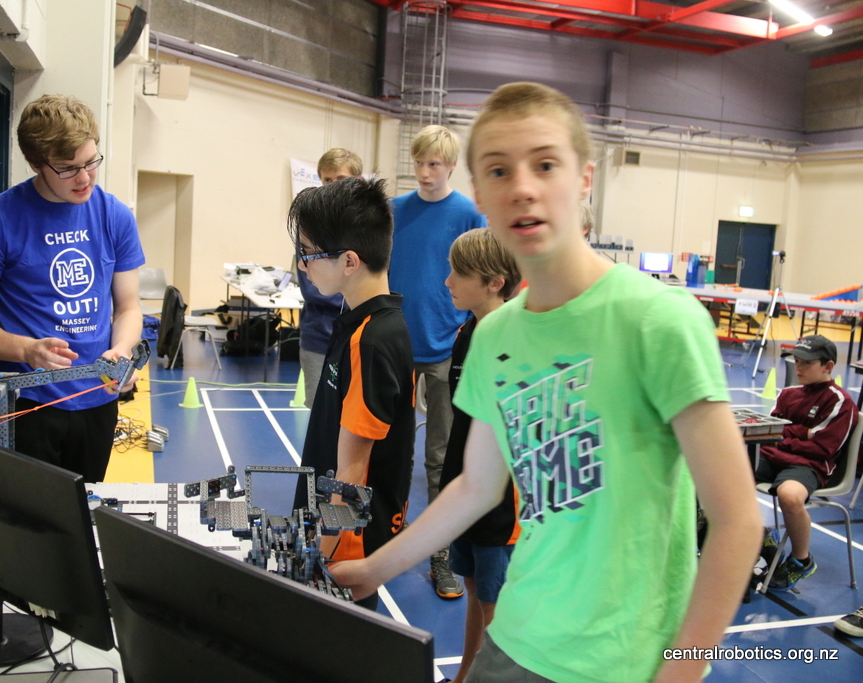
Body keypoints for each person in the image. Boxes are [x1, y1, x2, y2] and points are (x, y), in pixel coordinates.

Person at [331, 82, 761, 683]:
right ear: (481, 196)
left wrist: (680, 672)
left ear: (584, 178)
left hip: (622, 661)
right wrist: (376, 567)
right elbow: (476, 486)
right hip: (517, 637)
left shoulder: (659, 320)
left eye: (546, 164)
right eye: (499, 170)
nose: (523, 187)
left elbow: (738, 520)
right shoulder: (495, 335)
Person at [0, 94, 145, 483]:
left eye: (91, 162)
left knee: (85, 507)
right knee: (30, 513)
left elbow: (128, 307)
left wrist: (123, 351)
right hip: (28, 403)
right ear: (35, 163)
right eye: (68, 168)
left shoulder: (115, 216)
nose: (84, 178)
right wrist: (26, 350)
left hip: (98, 399)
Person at [288, 176, 415, 612]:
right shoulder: (361, 322)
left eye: (309, 253)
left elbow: (352, 472)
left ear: (349, 261)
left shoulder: (372, 341)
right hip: (333, 527)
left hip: (345, 544)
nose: (302, 264)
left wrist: (319, 556)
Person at [390, 124, 485, 599]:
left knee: (441, 457)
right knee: (391, 448)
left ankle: (440, 553)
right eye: (419, 163)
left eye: (434, 164)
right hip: (396, 348)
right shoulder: (395, 211)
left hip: (446, 349)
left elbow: (483, 274)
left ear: (450, 166)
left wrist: (465, 327)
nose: (425, 173)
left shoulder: (468, 214)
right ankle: (387, 533)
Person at [439, 227, 521, 683]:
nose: (448, 281)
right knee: (473, 589)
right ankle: (465, 674)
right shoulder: (467, 331)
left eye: (459, 273)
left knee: (495, 607)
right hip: (464, 490)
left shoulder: (511, 341)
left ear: (494, 282)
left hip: (499, 506)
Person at [757, 335, 858, 590]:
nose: (799, 367)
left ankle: (801, 560)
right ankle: (758, 535)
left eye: (807, 363)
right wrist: (803, 432)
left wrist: (785, 439)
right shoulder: (788, 394)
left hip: (808, 466)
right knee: (724, 472)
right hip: (773, 457)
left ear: (828, 366)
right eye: (797, 361)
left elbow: (824, 448)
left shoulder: (840, 402)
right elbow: (772, 430)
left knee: (790, 496)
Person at [297, 148, 361, 409]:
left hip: (357, 337)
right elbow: (312, 287)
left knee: (352, 414)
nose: (334, 186)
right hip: (318, 337)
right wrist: (351, 292)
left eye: (341, 179)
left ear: (357, 181)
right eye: (327, 180)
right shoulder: (307, 226)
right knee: (318, 413)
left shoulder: (367, 225)